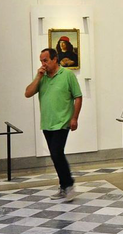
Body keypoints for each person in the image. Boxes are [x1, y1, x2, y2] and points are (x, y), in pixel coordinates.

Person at [25, 47, 82, 201]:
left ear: (55, 59)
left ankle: (69, 184)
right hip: (47, 123)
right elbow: (27, 93)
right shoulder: (42, 77)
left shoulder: (67, 75)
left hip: (62, 122)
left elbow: (78, 96)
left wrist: (74, 118)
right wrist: (38, 77)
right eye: (41, 61)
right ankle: (63, 186)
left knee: (57, 153)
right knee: (55, 156)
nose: (43, 64)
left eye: (45, 60)